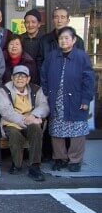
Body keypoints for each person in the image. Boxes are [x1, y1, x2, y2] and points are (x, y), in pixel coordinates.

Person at [41, 26, 95, 173]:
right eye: (61, 38)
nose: (63, 41)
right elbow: (44, 75)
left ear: (74, 40)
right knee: (56, 129)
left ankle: (75, 160)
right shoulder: (52, 55)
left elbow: (89, 80)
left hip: (76, 99)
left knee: (77, 130)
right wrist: (46, 93)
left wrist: (85, 99)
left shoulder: (81, 56)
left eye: (66, 38)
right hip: (56, 98)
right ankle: (60, 158)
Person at [0, 65, 50, 181]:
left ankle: (35, 166)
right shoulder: (5, 89)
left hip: (31, 119)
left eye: (23, 76)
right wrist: (24, 120)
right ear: (12, 77)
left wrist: (34, 115)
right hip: (11, 121)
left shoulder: (36, 89)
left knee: (36, 130)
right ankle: (17, 164)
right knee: (14, 134)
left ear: (28, 79)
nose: (20, 79)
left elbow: (44, 106)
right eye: (17, 76)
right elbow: (5, 111)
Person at [21, 8, 44, 73]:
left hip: (40, 75)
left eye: (33, 22)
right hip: (23, 75)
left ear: (39, 24)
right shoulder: (20, 39)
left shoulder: (45, 39)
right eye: (27, 22)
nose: (30, 25)